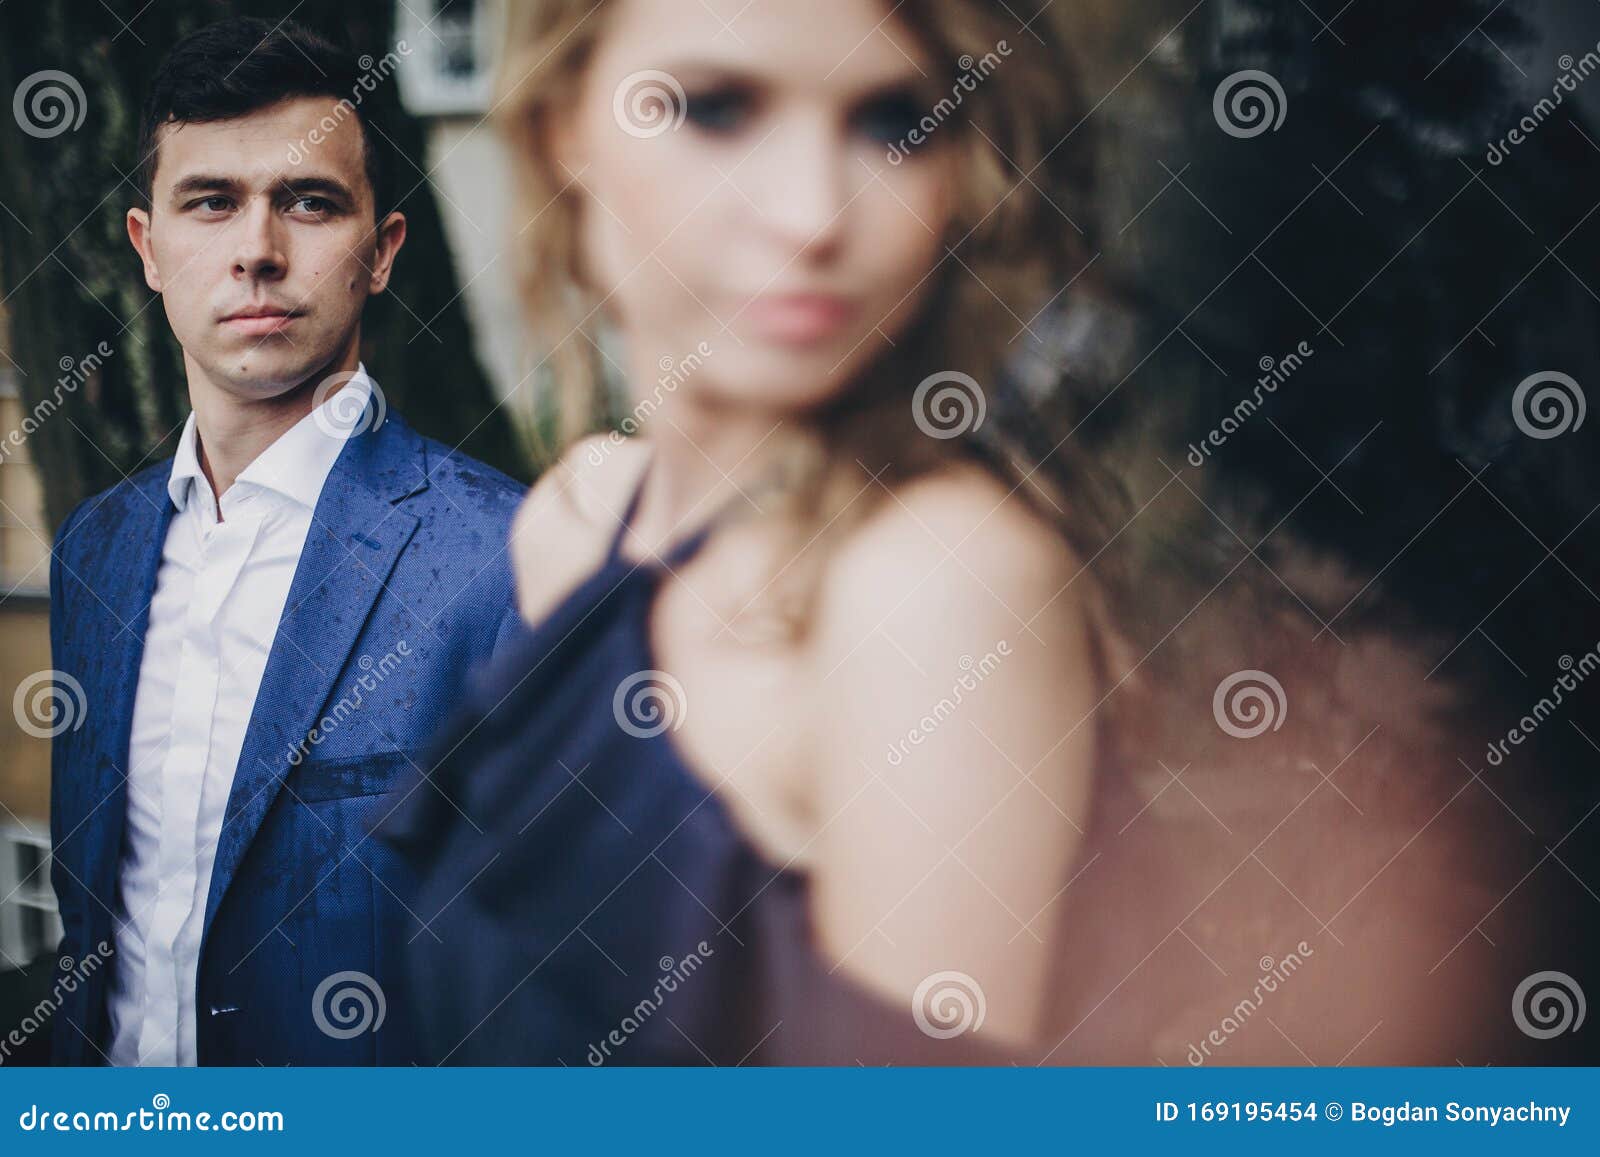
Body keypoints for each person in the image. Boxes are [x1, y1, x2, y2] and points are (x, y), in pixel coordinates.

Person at [382, 0, 1127, 1064]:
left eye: (893, 124)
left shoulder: (932, 586)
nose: (811, 213)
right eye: (717, 108)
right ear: (563, 126)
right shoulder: (582, 519)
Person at [48, 17, 523, 1066]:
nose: (258, 249)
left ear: (383, 252)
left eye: (308, 203)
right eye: (210, 202)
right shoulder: (94, 552)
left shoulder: (505, 562)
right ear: (150, 250)